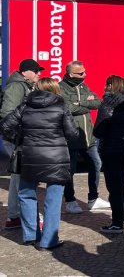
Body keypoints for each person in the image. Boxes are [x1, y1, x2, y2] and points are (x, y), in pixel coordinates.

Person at [0, 78, 79, 250]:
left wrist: (20, 138)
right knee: (53, 199)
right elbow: (73, 134)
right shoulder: (61, 107)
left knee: (26, 194)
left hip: (30, 156)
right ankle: (48, 241)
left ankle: (30, 235)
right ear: (55, 90)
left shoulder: (25, 107)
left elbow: (5, 126)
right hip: (56, 158)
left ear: (36, 89)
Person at [59, 61, 109, 214]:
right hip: (72, 137)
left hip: (88, 137)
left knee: (96, 164)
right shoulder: (61, 88)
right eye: (81, 73)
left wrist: (79, 102)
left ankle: (93, 199)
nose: (84, 75)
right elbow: (67, 108)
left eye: (85, 72)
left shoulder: (84, 87)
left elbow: (97, 102)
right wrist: (84, 103)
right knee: (70, 170)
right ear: (70, 74)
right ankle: (70, 200)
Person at [1, 58, 42, 230]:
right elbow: (7, 113)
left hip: (17, 137)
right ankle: (25, 216)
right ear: (26, 72)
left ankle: (14, 216)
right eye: (36, 71)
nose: (39, 74)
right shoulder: (16, 86)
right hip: (17, 138)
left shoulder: (22, 85)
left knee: (17, 177)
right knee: (23, 178)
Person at [93, 75, 124, 234]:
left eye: (106, 84)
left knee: (114, 186)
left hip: (110, 148)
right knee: (122, 183)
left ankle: (117, 223)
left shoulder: (108, 104)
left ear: (110, 85)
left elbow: (99, 130)